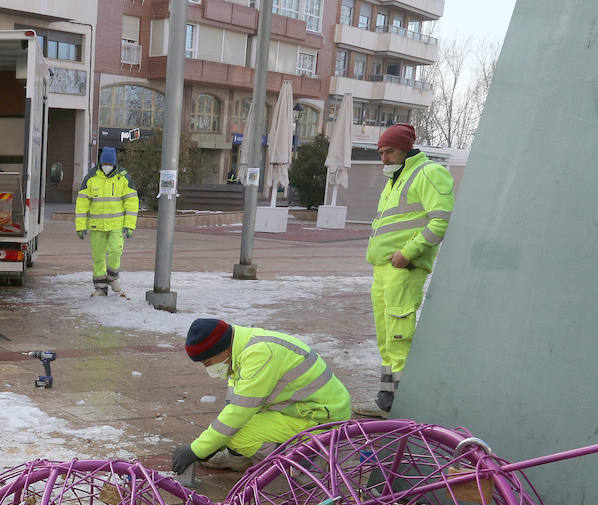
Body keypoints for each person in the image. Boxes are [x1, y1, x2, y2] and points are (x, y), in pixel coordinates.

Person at [357, 123, 455, 417]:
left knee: (400, 336)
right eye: (381, 152)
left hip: (404, 268)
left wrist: (407, 253)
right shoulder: (395, 180)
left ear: (405, 149)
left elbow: (441, 221)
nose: (383, 158)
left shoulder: (428, 173)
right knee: (387, 337)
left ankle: (404, 403)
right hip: (384, 269)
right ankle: (387, 400)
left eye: (388, 151)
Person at [170, 319, 352, 475]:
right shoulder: (240, 347)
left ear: (222, 350)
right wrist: (215, 444)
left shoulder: (259, 354)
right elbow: (235, 405)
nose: (207, 367)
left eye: (207, 362)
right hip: (306, 409)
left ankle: (305, 460)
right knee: (232, 431)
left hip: (323, 419)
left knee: (237, 435)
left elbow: (238, 413)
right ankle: (240, 458)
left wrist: (197, 450)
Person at [74, 146, 139, 296]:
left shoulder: (123, 178)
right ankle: (100, 288)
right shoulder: (91, 177)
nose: (106, 166)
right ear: (100, 163)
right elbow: (82, 204)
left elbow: (132, 203)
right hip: (97, 227)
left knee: (116, 251)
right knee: (98, 257)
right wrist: (80, 226)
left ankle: (113, 277)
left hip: (116, 225)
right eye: (104, 164)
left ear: (114, 164)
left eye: (109, 164)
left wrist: (130, 225)